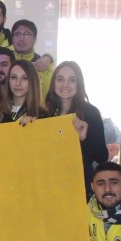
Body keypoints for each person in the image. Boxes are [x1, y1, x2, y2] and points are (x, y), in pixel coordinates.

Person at [44, 61, 108, 195]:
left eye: (72, 80)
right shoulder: (45, 113)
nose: (65, 85)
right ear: (53, 82)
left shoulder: (90, 112)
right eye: (60, 79)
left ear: (79, 84)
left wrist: (83, 139)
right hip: (49, 184)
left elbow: (102, 156)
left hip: (79, 186)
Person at [11, 19, 54, 100]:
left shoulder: (43, 66)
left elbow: (48, 99)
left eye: (27, 34)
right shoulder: (5, 63)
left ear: (35, 39)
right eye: (17, 34)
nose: (21, 39)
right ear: (12, 39)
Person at [7, 60, 45, 124]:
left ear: (32, 81)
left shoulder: (42, 115)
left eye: (24, 78)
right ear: (8, 80)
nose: (18, 83)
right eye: (14, 77)